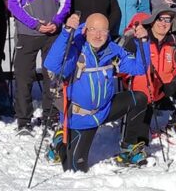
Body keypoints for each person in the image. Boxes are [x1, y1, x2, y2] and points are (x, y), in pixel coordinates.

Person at [44, 12, 149, 171]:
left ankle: (128, 148)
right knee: (75, 170)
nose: (98, 35)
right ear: (85, 30)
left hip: (104, 109)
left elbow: (139, 68)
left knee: (140, 98)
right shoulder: (77, 50)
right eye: (93, 29)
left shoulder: (112, 50)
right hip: (81, 117)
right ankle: (59, 141)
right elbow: (52, 64)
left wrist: (143, 42)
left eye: (103, 31)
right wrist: (66, 32)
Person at [6, 0, 71, 132]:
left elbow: (66, 1)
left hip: (51, 33)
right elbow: (13, 4)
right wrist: (35, 24)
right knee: (24, 77)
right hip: (27, 34)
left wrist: (56, 22)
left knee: (51, 76)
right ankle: (24, 120)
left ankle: (50, 115)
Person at [124, 9, 176, 137]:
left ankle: (175, 124)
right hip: (144, 94)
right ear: (152, 21)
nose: (163, 23)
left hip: (166, 91)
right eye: (160, 19)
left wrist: (175, 84)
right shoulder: (139, 40)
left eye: (167, 20)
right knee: (141, 138)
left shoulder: (174, 41)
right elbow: (125, 70)